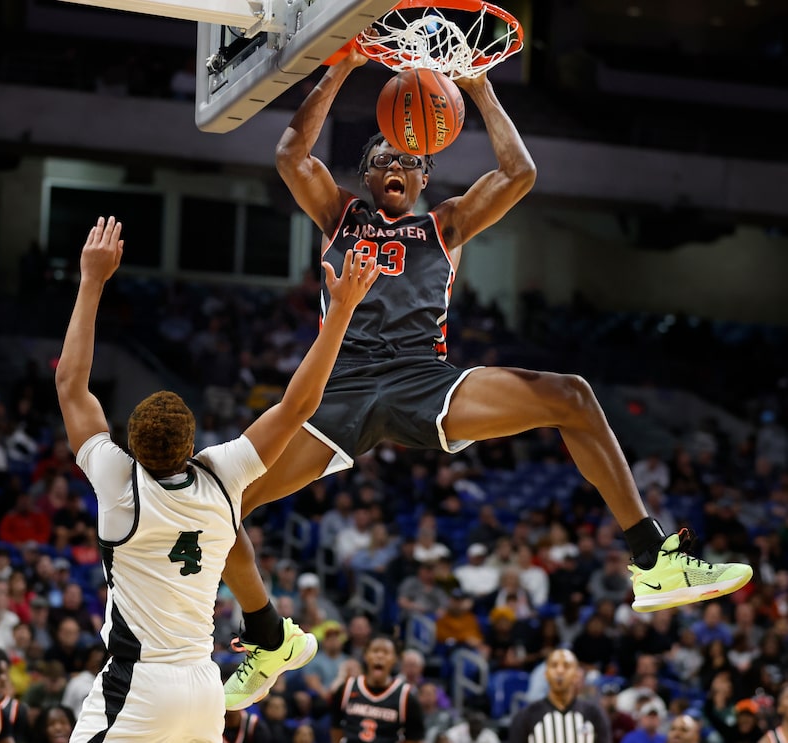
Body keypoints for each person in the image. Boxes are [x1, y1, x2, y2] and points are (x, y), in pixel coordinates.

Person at [219, 44, 753, 708]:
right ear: (364, 177)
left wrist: (478, 88)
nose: (395, 165)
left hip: (424, 379)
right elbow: (291, 156)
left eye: (409, 161)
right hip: (340, 388)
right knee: (215, 504)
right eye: (383, 159)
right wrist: (342, 69)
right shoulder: (339, 218)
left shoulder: (446, 224)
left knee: (572, 396)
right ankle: (270, 636)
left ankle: (652, 559)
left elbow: (519, 171)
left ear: (424, 179)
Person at [53, 216, 379, 741]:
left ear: (132, 448)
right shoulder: (222, 475)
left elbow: (71, 385)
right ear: (193, 444)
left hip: (138, 685)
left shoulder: (120, 486)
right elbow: (298, 406)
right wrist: (340, 312)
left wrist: (91, 280)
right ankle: (271, 636)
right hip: (205, 687)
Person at [331, 635, 424, 743]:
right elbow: (335, 727)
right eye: (375, 651)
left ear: (395, 659)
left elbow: (414, 737)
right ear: (365, 655)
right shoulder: (347, 688)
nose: (380, 656)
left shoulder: (406, 696)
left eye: (386, 652)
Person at [508, 648, 611, 743]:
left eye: (566, 666)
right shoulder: (526, 716)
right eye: (554, 666)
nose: (560, 671)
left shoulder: (594, 714)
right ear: (546, 674)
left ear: (576, 675)